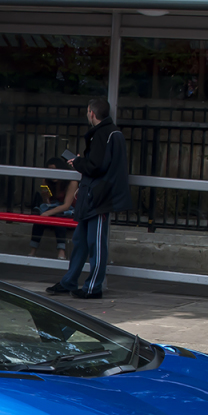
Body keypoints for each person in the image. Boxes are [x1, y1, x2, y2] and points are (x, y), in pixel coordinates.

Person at [46, 98, 130, 299]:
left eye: (87, 112)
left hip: (97, 196)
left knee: (93, 243)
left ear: (92, 113)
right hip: (94, 195)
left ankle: (92, 287)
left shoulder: (103, 135)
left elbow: (95, 167)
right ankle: (71, 281)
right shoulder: (112, 134)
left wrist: (79, 163)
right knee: (82, 240)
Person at [29, 157, 78, 260]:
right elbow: (48, 203)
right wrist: (45, 196)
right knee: (39, 219)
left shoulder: (71, 182)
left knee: (59, 219)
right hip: (52, 207)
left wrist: (48, 213)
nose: (53, 174)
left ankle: (61, 251)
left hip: (68, 211)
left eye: (55, 170)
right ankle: (33, 250)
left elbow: (66, 205)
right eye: (50, 171)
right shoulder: (46, 180)